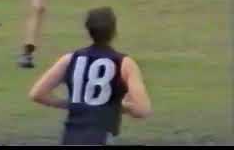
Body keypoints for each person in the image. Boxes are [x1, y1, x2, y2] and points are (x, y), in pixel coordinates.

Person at [28, 7, 152, 145]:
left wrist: (70, 104)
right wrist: (120, 107)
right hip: (101, 138)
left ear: (88, 31)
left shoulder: (70, 59)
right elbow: (142, 110)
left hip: (70, 139)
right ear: (114, 31)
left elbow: (37, 94)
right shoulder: (125, 63)